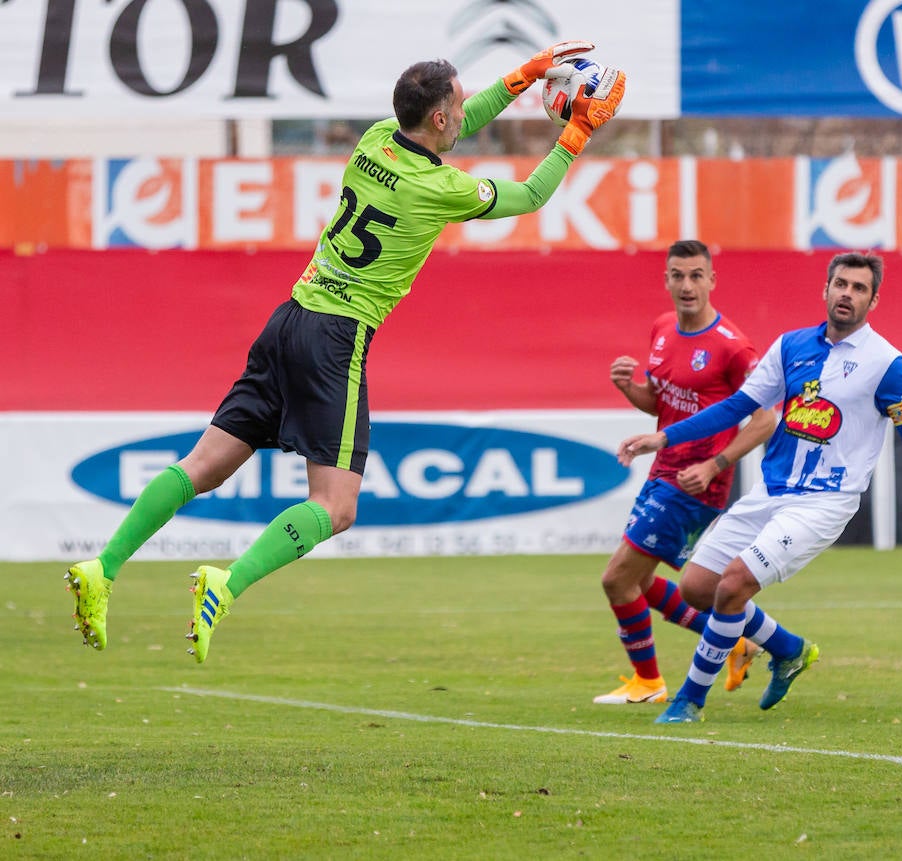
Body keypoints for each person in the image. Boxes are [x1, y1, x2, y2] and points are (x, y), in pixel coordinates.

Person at [63, 44, 627, 663]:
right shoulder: (441, 187)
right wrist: (577, 132)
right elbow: (530, 196)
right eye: (458, 105)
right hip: (337, 339)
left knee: (204, 466)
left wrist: (523, 75)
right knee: (336, 506)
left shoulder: (376, 139)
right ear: (439, 118)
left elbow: (458, 116)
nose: (466, 110)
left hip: (289, 319)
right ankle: (226, 582)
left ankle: (104, 566)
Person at [616, 251, 902, 723]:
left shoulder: (886, 364)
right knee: (696, 589)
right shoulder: (789, 347)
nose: (847, 293)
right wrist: (664, 436)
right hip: (772, 491)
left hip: (825, 501)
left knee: (734, 584)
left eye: (859, 288)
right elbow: (736, 406)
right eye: (840, 284)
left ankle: (689, 700)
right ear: (824, 290)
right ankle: (789, 650)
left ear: (874, 299)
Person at [593, 240, 776, 705]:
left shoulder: (732, 348)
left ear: (712, 280)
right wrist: (628, 388)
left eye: (697, 275)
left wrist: (716, 464)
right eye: (678, 275)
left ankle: (649, 683)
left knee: (618, 579)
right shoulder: (660, 329)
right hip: (662, 469)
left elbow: (765, 419)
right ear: (666, 280)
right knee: (637, 580)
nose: (687, 285)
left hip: (697, 482)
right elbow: (661, 404)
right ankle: (735, 639)